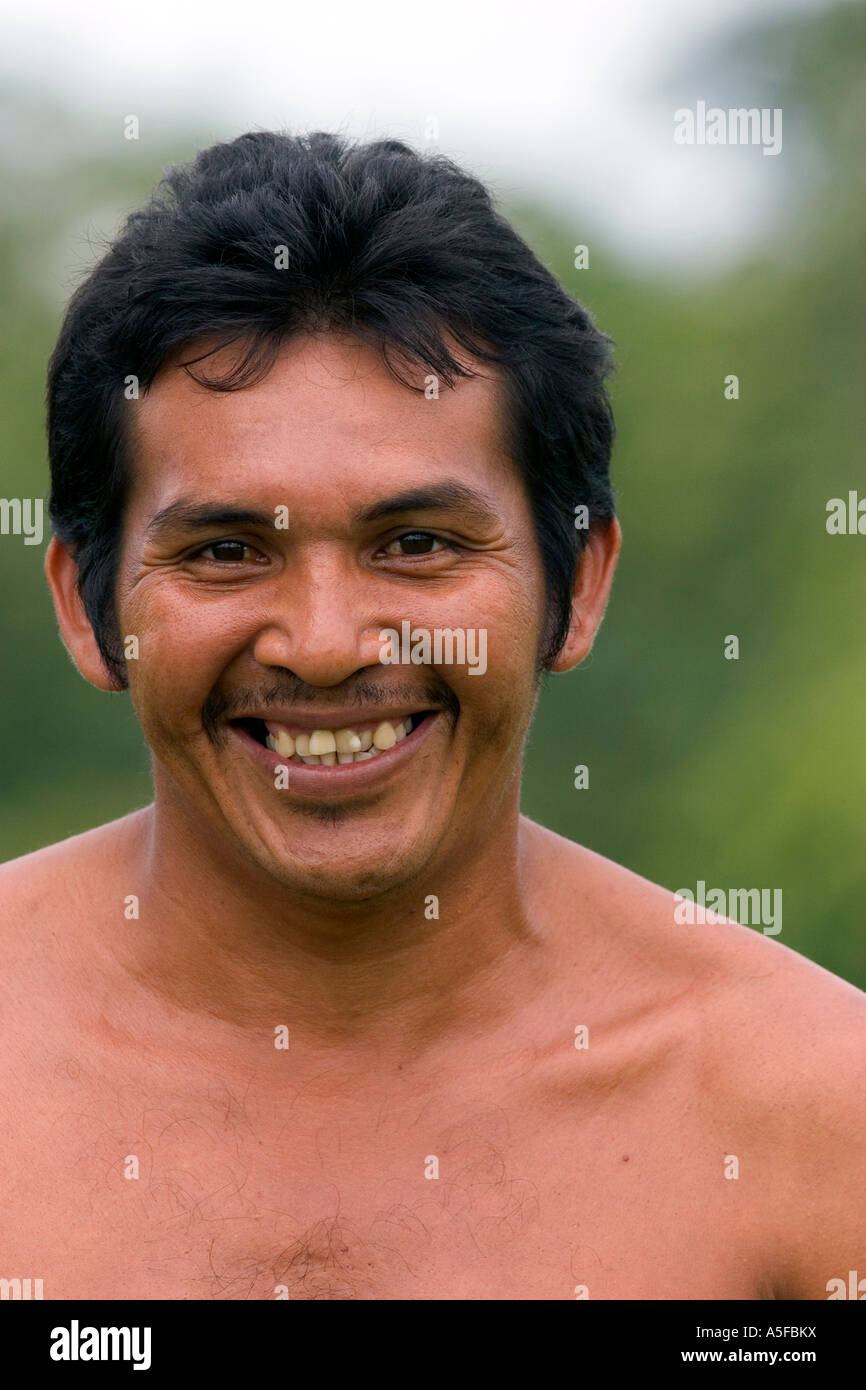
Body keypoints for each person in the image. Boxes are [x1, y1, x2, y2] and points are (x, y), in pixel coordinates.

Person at [1, 131, 863, 1301]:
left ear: (578, 582)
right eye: (223, 550)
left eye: (415, 544)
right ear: (86, 605)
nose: (323, 642)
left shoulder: (809, 1118)